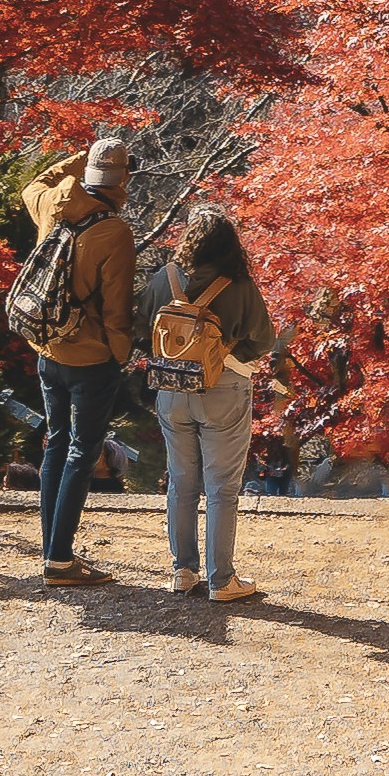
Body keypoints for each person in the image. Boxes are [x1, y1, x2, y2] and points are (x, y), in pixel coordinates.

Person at [16, 127, 139, 582]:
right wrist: (120, 357)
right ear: (122, 182)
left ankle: (54, 552)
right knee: (82, 451)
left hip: (48, 348)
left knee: (55, 442)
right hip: (90, 359)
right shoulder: (114, 233)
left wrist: (79, 157)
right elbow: (117, 311)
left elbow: (32, 183)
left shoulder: (51, 205)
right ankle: (60, 560)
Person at [150, 212, 279, 605]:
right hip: (224, 388)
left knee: (181, 481)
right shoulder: (238, 285)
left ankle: (183, 571)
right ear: (230, 244)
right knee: (222, 487)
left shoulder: (164, 278)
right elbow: (264, 340)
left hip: (171, 389)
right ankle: (222, 580)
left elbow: (141, 325)